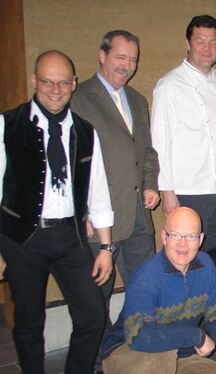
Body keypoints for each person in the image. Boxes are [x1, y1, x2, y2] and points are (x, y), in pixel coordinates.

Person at [0, 50, 114, 373]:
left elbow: (99, 191)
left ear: (74, 83)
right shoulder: (7, 125)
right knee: (28, 322)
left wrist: (106, 248)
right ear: (34, 80)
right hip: (22, 239)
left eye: (63, 82)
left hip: (70, 236)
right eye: (48, 81)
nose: (55, 89)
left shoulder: (85, 131)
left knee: (92, 314)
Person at [71, 29, 159, 307]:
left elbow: (146, 151)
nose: (127, 66)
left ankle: (142, 347)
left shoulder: (137, 100)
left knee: (145, 291)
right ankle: (97, 351)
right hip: (99, 221)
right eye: (121, 57)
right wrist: (80, 213)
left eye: (133, 60)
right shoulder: (79, 99)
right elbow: (71, 163)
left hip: (138, 219)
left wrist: (150, 184)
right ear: (102, 56)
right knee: (95, 299)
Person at [100, 207, 216, 373]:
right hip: (127, 352)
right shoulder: (147, 275)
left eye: (191, 236)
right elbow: (137, 336)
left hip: (180, 355)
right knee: (158, 361)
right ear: (164, 237)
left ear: (201, 239)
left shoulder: (206, 266)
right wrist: (196, 336)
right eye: (175, 235)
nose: (183, 243)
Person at [151, 14, 216, 252]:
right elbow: (160, 142)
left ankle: (211, 290)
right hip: (187, 188)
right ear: (188, 43)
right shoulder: (169, 85)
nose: (207, 48)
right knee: (185, 253)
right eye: (200, 41)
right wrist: (167, 192)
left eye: (213, 42)